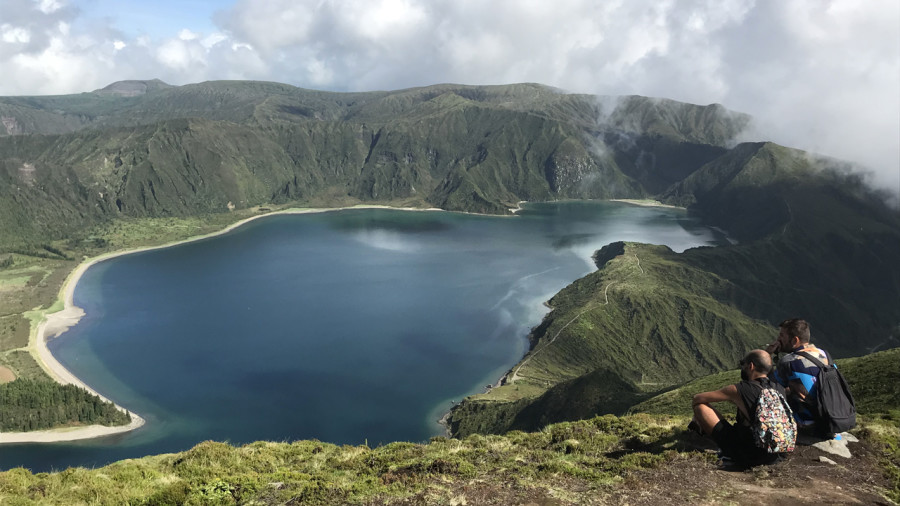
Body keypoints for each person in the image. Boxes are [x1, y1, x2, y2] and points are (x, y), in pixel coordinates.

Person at [689, 349, 789, 466]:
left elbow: (698, 398)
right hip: (777, 455)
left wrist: (698, 419)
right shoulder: (779, 388)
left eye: (743, 364)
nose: (742, 367)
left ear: (751, 366)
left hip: (750, 455)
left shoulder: (739, 390)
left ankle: (722, 448)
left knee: (700, 407)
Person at [765, 318, 835, 435]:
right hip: (831, 419)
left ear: (794, 340)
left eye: (782, 335)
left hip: (809, 425)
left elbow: (766, 384)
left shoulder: (789, 361)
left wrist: (767, 354)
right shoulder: (824, 355)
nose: (778, 339)